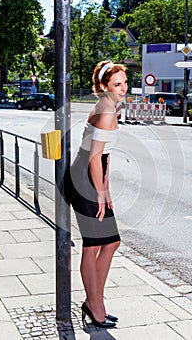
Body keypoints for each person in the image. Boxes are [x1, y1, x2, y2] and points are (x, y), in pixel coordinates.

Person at [64, 60, 128, 328]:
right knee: (93, 245)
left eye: (125, 82)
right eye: (117, 84)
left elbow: (105, 156)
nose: (123, 88)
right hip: (82, 178)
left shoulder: (111, 107)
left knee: (110, 243)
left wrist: (106, 190)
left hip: (92, 174)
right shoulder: (105, 111)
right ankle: (94, 305)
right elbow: (93, 158)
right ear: (103, 86)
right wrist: (99, 194)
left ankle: (95, 300)